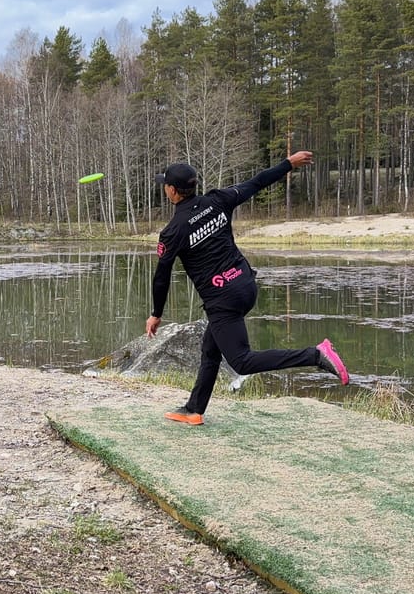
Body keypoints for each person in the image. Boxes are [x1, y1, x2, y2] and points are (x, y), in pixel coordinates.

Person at [145, 154, 349, 426]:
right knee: (211, 350)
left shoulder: (173, 231)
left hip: (223, 299)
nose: (165, 188)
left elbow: (162, 277)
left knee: (241, 362)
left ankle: (315, 354)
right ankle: (194, 409)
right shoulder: (218, 200)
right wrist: (288, 163)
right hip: (245, 285)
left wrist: (156, 314)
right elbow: (256, 183)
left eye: (165, 185)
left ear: (172, 190)